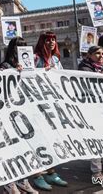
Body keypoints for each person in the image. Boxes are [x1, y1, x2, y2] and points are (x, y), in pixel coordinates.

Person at [0, 37, 39, 194]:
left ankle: (23, 180)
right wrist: (13, 71)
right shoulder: (5, 65)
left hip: (25, 109)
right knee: (11, 149)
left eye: (24, 46)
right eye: (17, 46)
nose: (21, 49)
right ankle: (9, 184)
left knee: (24, 148)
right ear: (11, 49)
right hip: (11, 111)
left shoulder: (30, 65)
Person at [32, 31, 67, 190]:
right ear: (41, 42)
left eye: (53, 39)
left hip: (52, 104)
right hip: (37, 106)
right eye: (48, 40)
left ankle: (51, 173)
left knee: (51, 141)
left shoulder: (55, 59)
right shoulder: (35, 58)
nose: (51, 42)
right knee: (37, 142)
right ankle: (37, 175)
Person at [78, 46, 103, 181]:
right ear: (89, 55)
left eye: (102, 53)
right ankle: (97, 172)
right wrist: (100, 76)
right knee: (96, 140)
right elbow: (87, 81)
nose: (101, 56)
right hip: (92, 108)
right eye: (97, 53)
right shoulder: (84, 67)